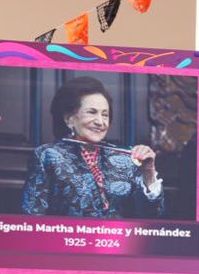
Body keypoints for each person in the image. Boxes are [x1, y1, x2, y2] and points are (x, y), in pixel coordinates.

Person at [21, 76, 164, 219]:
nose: (100, 122)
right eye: (91, 112)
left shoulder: (125, 159)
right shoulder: (47, 155)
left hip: (117, 240)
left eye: (105, 115)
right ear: (69, 119)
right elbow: (32, 216)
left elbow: (152, 217)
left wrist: (148, 174)